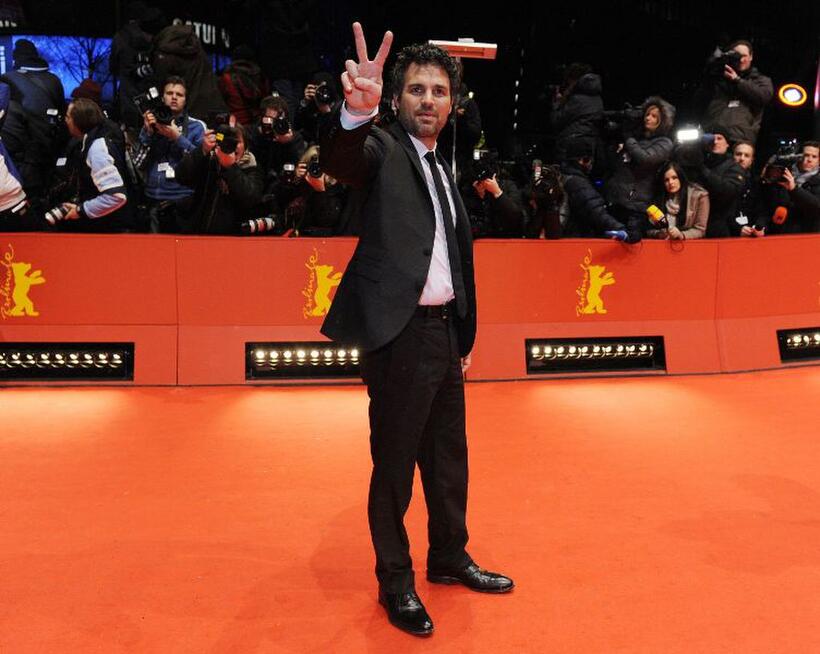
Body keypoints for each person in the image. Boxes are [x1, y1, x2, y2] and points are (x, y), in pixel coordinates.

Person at [319, 23, 513, 637]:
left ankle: (449, 558)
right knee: (396, 466)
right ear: (397, 100)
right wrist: (357, 113)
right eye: (416, 90)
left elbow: (452, 256)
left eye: (437, 90)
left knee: (448, 460)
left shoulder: (441, 165)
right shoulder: (383, 149)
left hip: (443, 336)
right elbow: (344, 159)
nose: (427, 100)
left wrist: (461, 337)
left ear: (452, 103)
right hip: (399, 336)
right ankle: (395, 582)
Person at [135, 76, 205, 231]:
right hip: (153, 199)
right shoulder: (151, 125)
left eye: (179, 95)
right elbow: (138, 163)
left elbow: (202, 163)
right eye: (169, 93)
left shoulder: (196, 127)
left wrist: (177, 138)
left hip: (183, 201)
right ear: (162, 97)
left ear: (185, 100)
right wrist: (148, 133)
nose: (174, 97)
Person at [54, 98, 132, 232]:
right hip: (106, 223)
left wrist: (81, 210)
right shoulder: (91, 139)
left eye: (68, 117)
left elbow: (116, 196)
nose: (65, 121)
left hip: (109, 228)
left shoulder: (97, 150)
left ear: (78, 122)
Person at [603, 96, 676, 240]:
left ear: (663, 122)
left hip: (636, 206)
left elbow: (645, 159)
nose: (648, 118)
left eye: (654, 116)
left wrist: (628, 138)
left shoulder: (665, 143)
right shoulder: (636, 140)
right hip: (616, 201)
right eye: (647, 114)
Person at [174, 123, 264, 234]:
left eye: (237, 141)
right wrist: (202, 150)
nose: (232, 145)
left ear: (245, 145)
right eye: (227, 140)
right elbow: (181, 176)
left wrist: (230, 167)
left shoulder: (251, 166)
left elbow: (251, 198)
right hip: (199, 235)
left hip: (235, 240)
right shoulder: (209, 161)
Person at [696, 40, 773, 144]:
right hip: (711, 135)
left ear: (751, 57)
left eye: (745, 56)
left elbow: (764, 96)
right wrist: (711, 71)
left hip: (740, 138)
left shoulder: (760, 80)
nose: (741, 60)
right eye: (737, 56)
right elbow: (698, 102)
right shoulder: (718, 79)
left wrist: (737, 80)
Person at [646, 161, 709, 240]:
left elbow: (700, 230)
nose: (671, 182)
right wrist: (659, 234)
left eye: (674, 178)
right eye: (666, 180)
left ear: (681, 178)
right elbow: (648, 229)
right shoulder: (660, 196)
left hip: (689, 245)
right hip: (663, 244)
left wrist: (681, 235)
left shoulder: (699, 196)